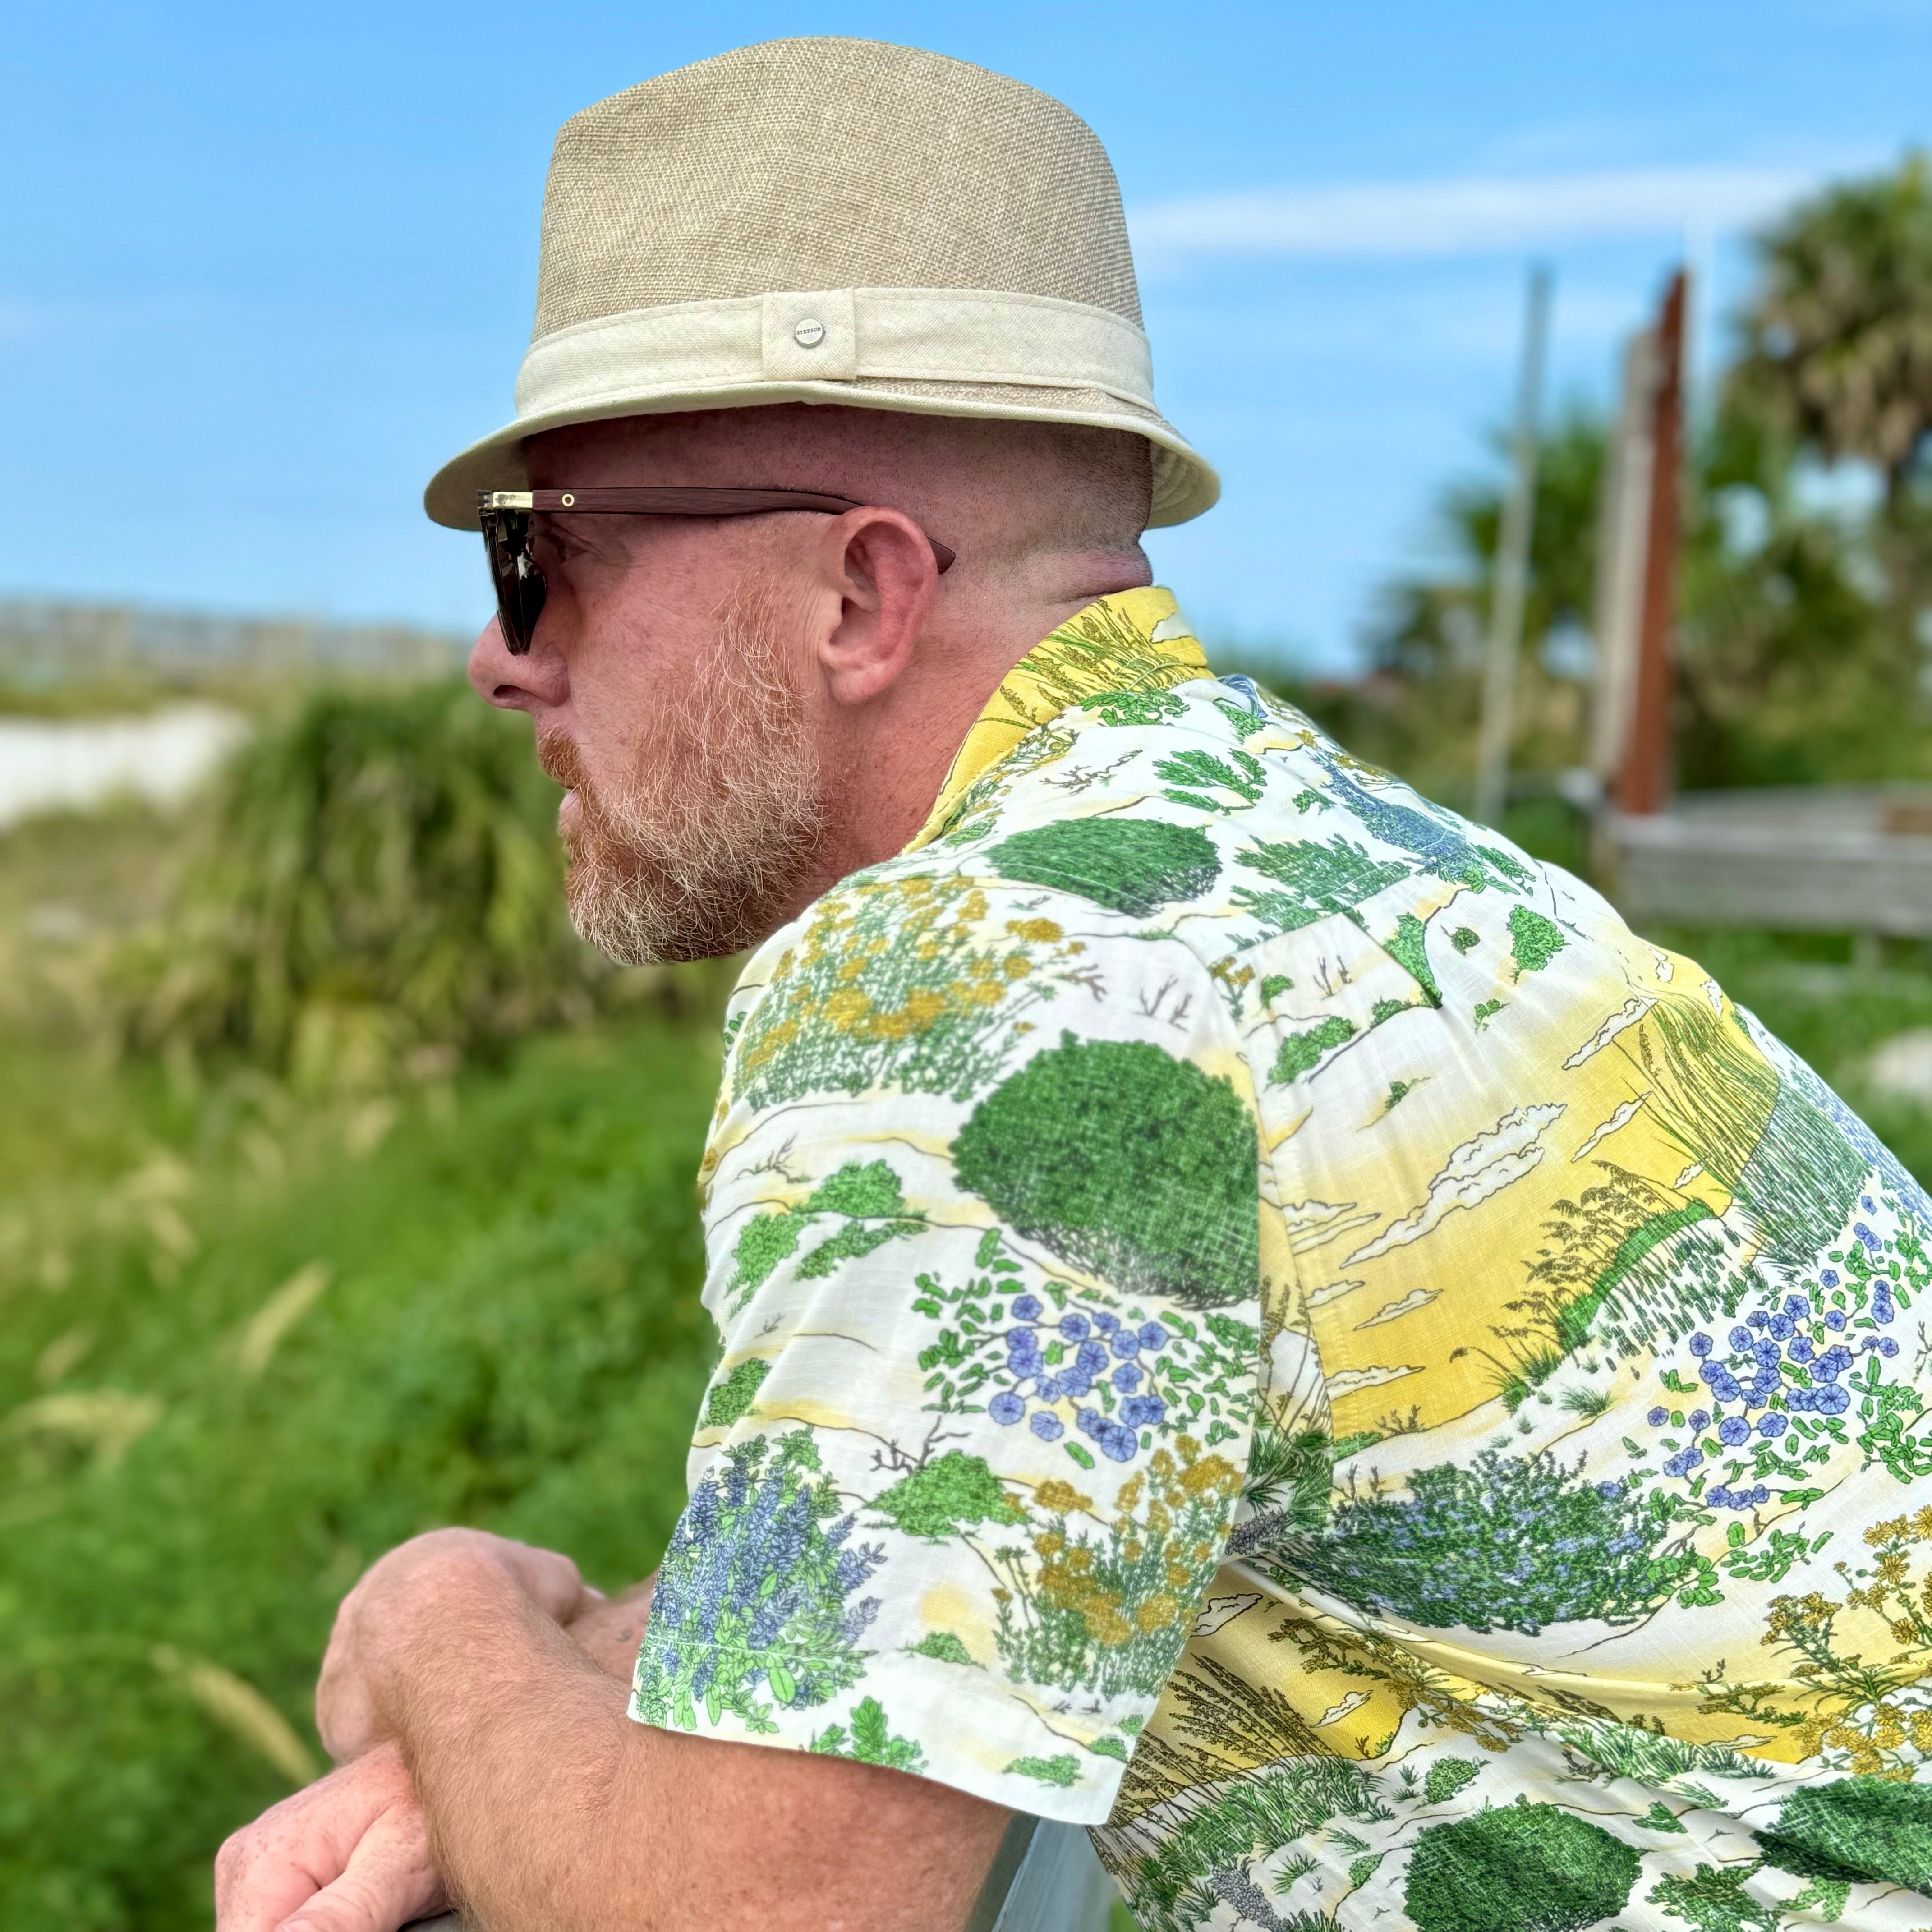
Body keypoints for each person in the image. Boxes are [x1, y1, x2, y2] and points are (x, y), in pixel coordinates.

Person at [216, 35, 1932, 1932]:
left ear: (859, 596)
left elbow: (751, 1921)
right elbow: (995, 1509)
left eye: (541, 562)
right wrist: (581, 1692)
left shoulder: (987, 968)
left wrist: (440, 1619)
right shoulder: (1320, 861)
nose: (497, 657)